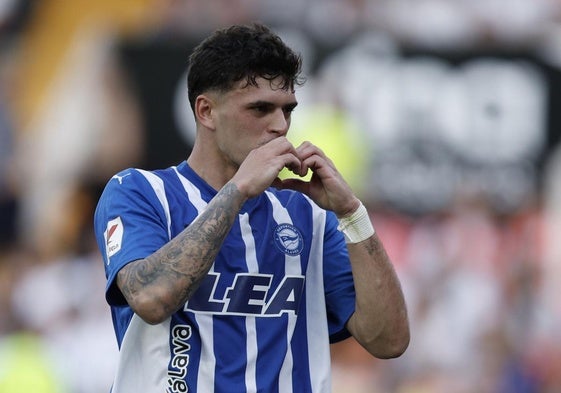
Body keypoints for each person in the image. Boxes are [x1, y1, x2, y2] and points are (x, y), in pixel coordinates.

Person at [93, 22, 409, 393]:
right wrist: (237, 189)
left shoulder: (307, 215)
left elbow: (389, 341)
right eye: (260, 108)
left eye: (287, 110)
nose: (280, 125)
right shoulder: (140, 192)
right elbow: (150, 298)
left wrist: (352, 214)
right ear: (207, 111)